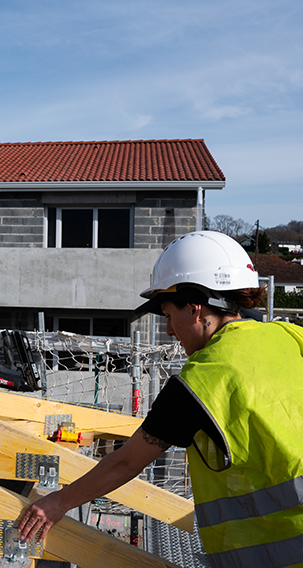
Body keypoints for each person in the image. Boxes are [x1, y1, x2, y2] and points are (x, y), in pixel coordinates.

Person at [18, 230, 303, 568]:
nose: (168, 330)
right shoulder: (290, 336)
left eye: (169, 315)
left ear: (196, 307)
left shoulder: (200, 382)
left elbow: (125, 463)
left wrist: (59, 502)